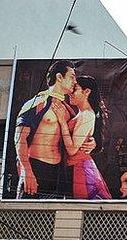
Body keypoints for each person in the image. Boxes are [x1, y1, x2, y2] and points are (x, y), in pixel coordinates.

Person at [14, 60, 81, 198]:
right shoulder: (37, 103)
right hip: (35, 169)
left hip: (58, 174)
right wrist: (27, 171)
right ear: (59, 77)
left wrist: (92, 142)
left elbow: (77, 139)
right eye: (72, 76)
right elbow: (19, 138)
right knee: (26, 216)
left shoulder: (69, 110)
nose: (75, 81)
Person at [54, 75, 111, 200]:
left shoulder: (86, 115)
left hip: (80, 170)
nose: (70, 92)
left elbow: (72, 150)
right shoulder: (81, 114)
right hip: (73, 167)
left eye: (74, 89)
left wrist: (63, 122)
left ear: (86, 92)